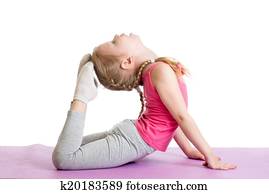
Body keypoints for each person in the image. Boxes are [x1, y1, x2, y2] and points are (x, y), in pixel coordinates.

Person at [52, 33, 237, 170]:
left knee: (69, 150)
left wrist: (188, 150)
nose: (117, 35)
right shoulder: (159, 70)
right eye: (114, 42)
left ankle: (82, 93)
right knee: (65, 157)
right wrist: (210, 156)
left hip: (132, 136)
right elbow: (181, 117)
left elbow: (170, 118)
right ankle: (81, 95)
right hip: (132, 141)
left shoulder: (154, 70)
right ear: (127, 61)